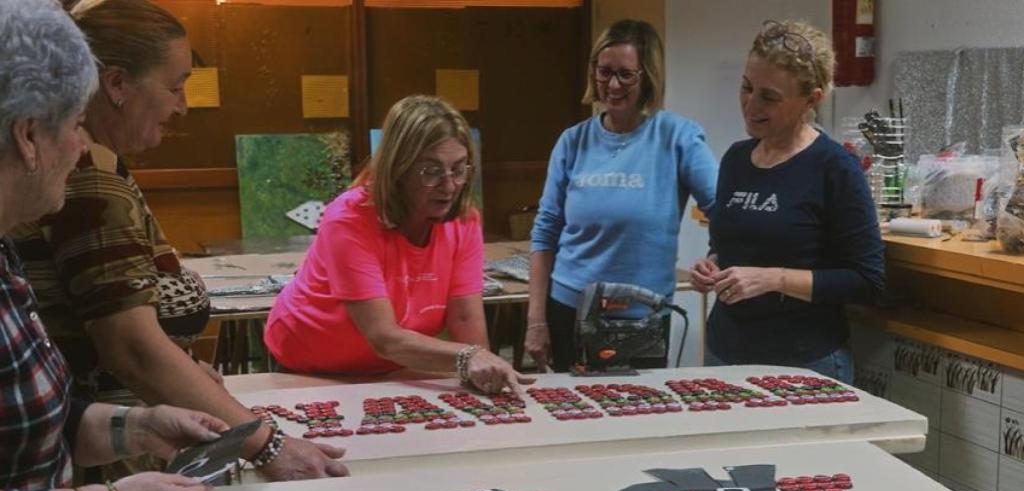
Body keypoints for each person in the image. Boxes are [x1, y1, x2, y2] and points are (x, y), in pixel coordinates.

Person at [11, 0, 347, 480]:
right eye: (174, 87)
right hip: (106, 466)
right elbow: (133, 349)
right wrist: (267, 445)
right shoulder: (91, 177)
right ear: (117, 84)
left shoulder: (100, 168)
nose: (183, 106)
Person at [0, 2, 229, 491]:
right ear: (28, 136)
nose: (82, 148)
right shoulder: (91, 182)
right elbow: (129, 347)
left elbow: (32, 424)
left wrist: (136, 426)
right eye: (75, 124)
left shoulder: (5, 255)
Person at [265, 95, 533, 395]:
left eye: (458, 170)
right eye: (431, 171)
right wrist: (468, 357)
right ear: (398, 169)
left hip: (392, 365)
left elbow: (464, 317)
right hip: (311, 362)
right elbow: (384, 338)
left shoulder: (464, 221)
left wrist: (484, 373)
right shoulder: (349, 218)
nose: (449, 186)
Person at [690, 20, 885, 384]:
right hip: (725, 353)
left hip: (803, 363)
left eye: (769, 97)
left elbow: (866, 282)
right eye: (746, 87)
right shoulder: (736, 159)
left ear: (812, 99)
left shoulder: (835, 168)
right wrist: (712, 265)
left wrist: (774, 279)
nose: (751, 104)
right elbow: (728, 246)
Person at [526, 19, 718, 373]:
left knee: (637, 407)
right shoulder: (572, 141)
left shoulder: (678, 137)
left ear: (648, 77)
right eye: (604, 72)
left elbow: (726, 212)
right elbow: (545, 232)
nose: (612, 85)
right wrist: (536, 321)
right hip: (569, 311)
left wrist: (715, 258)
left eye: (626, 75)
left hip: (642, 319)